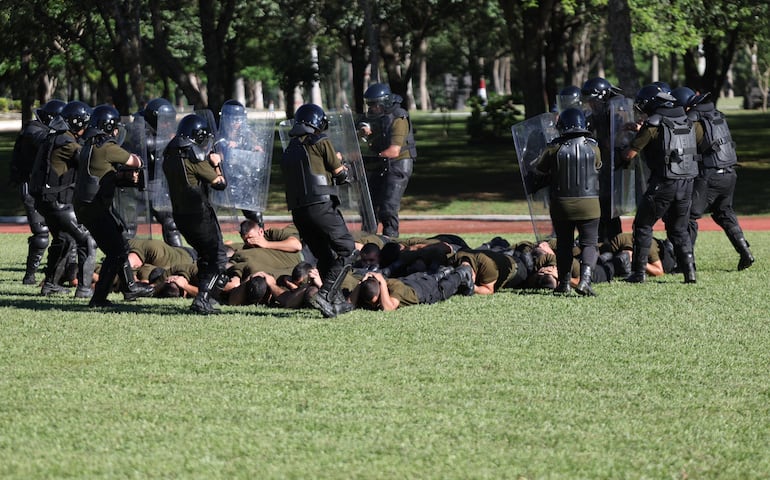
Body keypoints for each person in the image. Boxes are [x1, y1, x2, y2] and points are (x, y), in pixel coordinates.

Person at [74, 104, 155, 307]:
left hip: (88, 206)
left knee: (119, 243)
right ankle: (99, 298)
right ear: (110, 127)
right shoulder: (107, 147)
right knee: (116, 251)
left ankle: (129, 287)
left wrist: (118, 176)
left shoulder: (89, 146)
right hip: (96, 208)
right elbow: (135, 161)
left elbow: (100, 173)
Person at [281, 103, 358, 318]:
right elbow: (340, 175)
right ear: (317, 123)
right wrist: (342, 164)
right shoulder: (321, 141)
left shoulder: (289, 149)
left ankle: (336, 301)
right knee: (347, 250)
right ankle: (325, 295)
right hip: (320, 206)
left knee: (325, 255)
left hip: (299, 212)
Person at [620, 84, 703, 284]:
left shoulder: (654, 123)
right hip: (687, 182)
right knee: (679, 229)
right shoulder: (688, 120)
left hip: (664, 183)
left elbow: (630, 154)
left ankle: (638, 273)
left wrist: (625, 148)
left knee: (643, 225)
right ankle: (689, 273)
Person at [671, 86, 755, 271]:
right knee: (724, 213)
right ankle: (745, 252)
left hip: (710, 176)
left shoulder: (694, 120)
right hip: (729, 174)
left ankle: (685, 262)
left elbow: (681, 142)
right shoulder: (715, 114)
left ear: (685, 106)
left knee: (688, 216)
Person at [29, 100, 98, 298]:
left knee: (64, 240)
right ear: (76, 123)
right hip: (57, 202)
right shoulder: (66, 142)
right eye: (85, 123)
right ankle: (84, 289)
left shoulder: (55, 137)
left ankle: (50, 284)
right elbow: (88, 161)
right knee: (87, 241)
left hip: (47, 201)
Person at [163, 113, 229, 314]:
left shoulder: (170, 155)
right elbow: (220, 184)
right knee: (217, 257)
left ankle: (206, 296)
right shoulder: (194, 158)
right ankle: (202, 299)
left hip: (180, 215)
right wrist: (216, 164)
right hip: (199, 215)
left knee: (205, 256)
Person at [531, 107, 602, 295]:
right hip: (590, 205)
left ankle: (563, 284)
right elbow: (598, 166)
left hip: (561, 204)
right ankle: (585, 280)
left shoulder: (553, 148)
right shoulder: (594, 147)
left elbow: (540, 169)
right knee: (589, 243)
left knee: (564, 243)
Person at [10, 99, 65, 285]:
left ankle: (57, 275)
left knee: (62, 233)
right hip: (30, 186)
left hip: (46, 186)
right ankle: (30, 276)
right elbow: (45, 140)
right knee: (41, 233)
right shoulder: (33, 129)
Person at [359, 82, 416, 237]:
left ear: (384, 103)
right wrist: (366, 133)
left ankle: (390, 241)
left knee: (388, 207)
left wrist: (366, 159)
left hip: (398, 164)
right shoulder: (378, 117)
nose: (371, 108)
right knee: (368, 206)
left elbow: (394, 151)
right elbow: (376, 135)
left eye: (374, 105)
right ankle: (367, 240)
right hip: (381, 163)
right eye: (369, 105)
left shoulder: (399, 116)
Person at [581, 76, 623, 243]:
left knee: (610, 212)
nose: (590, 104)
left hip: (611, 170)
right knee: (597, 212)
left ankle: (614, 244)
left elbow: (615, 143)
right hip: (597, 171)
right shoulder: (593, 118)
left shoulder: (614, 117)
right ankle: (598, 243)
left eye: (593, 101)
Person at [138, 97, 184, 247]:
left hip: (157, 182)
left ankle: (178, 255)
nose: (167, 124)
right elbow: (146, 144)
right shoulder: (139, 124)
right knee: (126, 227)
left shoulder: (166, 130)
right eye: (165, 120)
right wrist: (169, 140)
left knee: (170, 222)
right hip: (135, 185)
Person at [349, 264, 474, 311]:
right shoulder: (368, 288)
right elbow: (349, 304)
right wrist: (360, 285)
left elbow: (389, 308)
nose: (372, 306)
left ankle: (462, 272)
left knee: (442, 291)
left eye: (375, 302)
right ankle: (442, 273)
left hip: (420, 290)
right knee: (431, 279)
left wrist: (381, 281)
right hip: (410, 281)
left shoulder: (394, 288)